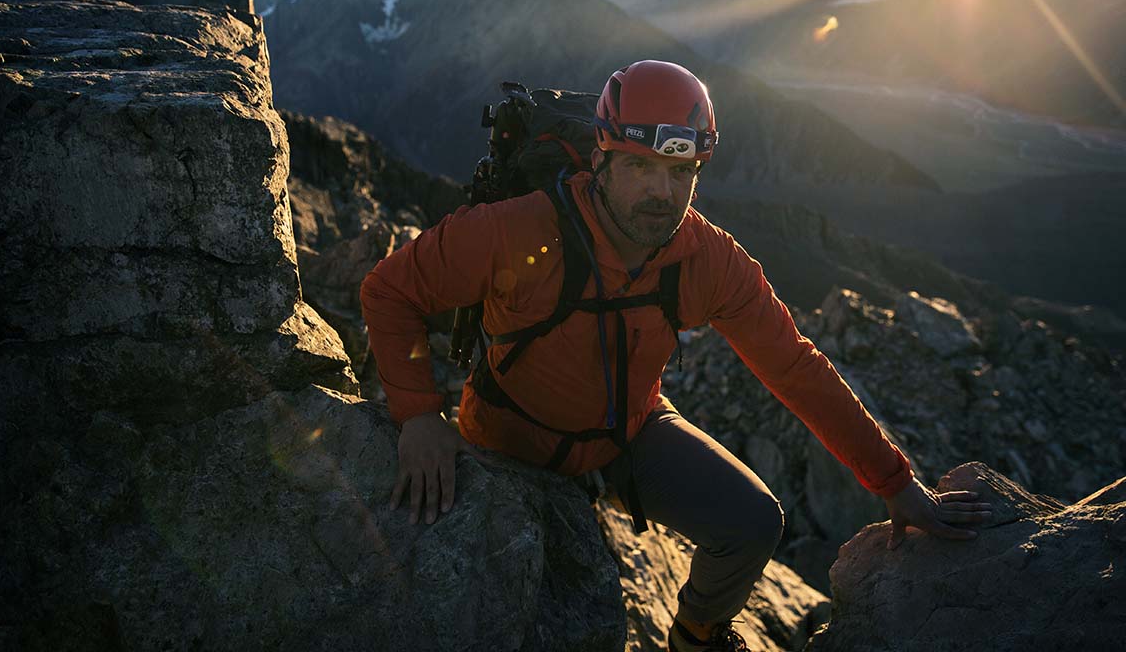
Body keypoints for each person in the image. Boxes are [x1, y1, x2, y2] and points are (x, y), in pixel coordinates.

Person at [360, 60, 992, 652]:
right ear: (602, 157)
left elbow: (794, 366)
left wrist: (895, 483)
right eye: (640, 168)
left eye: (680, 173)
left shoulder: (706, 258)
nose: (661, 193)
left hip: (626, 433)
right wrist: (418, 415)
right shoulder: (517, 228)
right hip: (505, 439)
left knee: (753, 524)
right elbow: (391, 292)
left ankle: (695, 637)